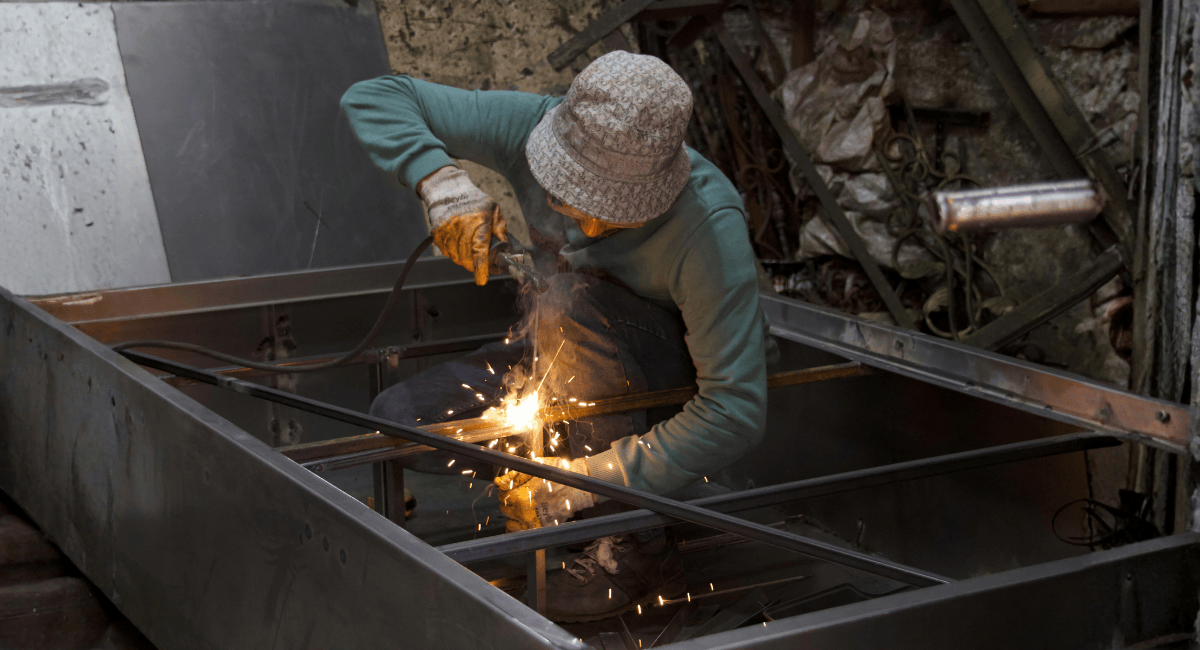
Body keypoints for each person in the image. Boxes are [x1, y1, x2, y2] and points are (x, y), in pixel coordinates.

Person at [341, 51, 773, 622]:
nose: (588, 229)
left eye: (616, 216)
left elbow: (736, 409)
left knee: (578, 298)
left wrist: (585, 483)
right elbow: (373, 95)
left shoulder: (709, 227)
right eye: (574, 201)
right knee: (403, 421)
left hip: (666, 382)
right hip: (565, 350)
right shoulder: (526, 124)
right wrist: (440, 182)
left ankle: (631, 546)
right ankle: (552, 480)